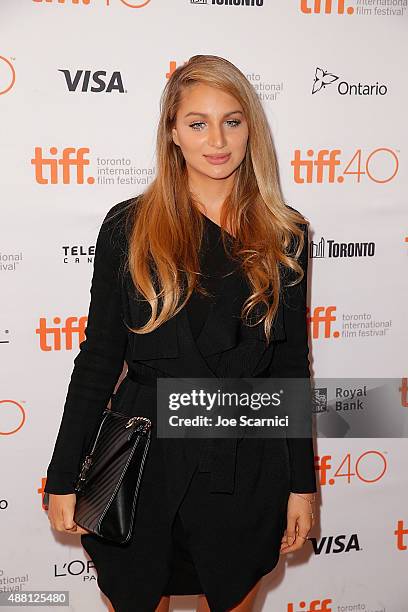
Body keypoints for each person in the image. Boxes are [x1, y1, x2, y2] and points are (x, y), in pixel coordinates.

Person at [43, 54, 317, 612]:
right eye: (197, 122)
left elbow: (289, 368)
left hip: (242, 461)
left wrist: (302, 485)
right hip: (143, 463)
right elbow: (98, 359)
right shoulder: (129, 226)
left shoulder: (285, 233)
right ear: (173, 132)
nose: (216, 139)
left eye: (232, 121)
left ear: (250, 130)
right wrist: (63, 475)